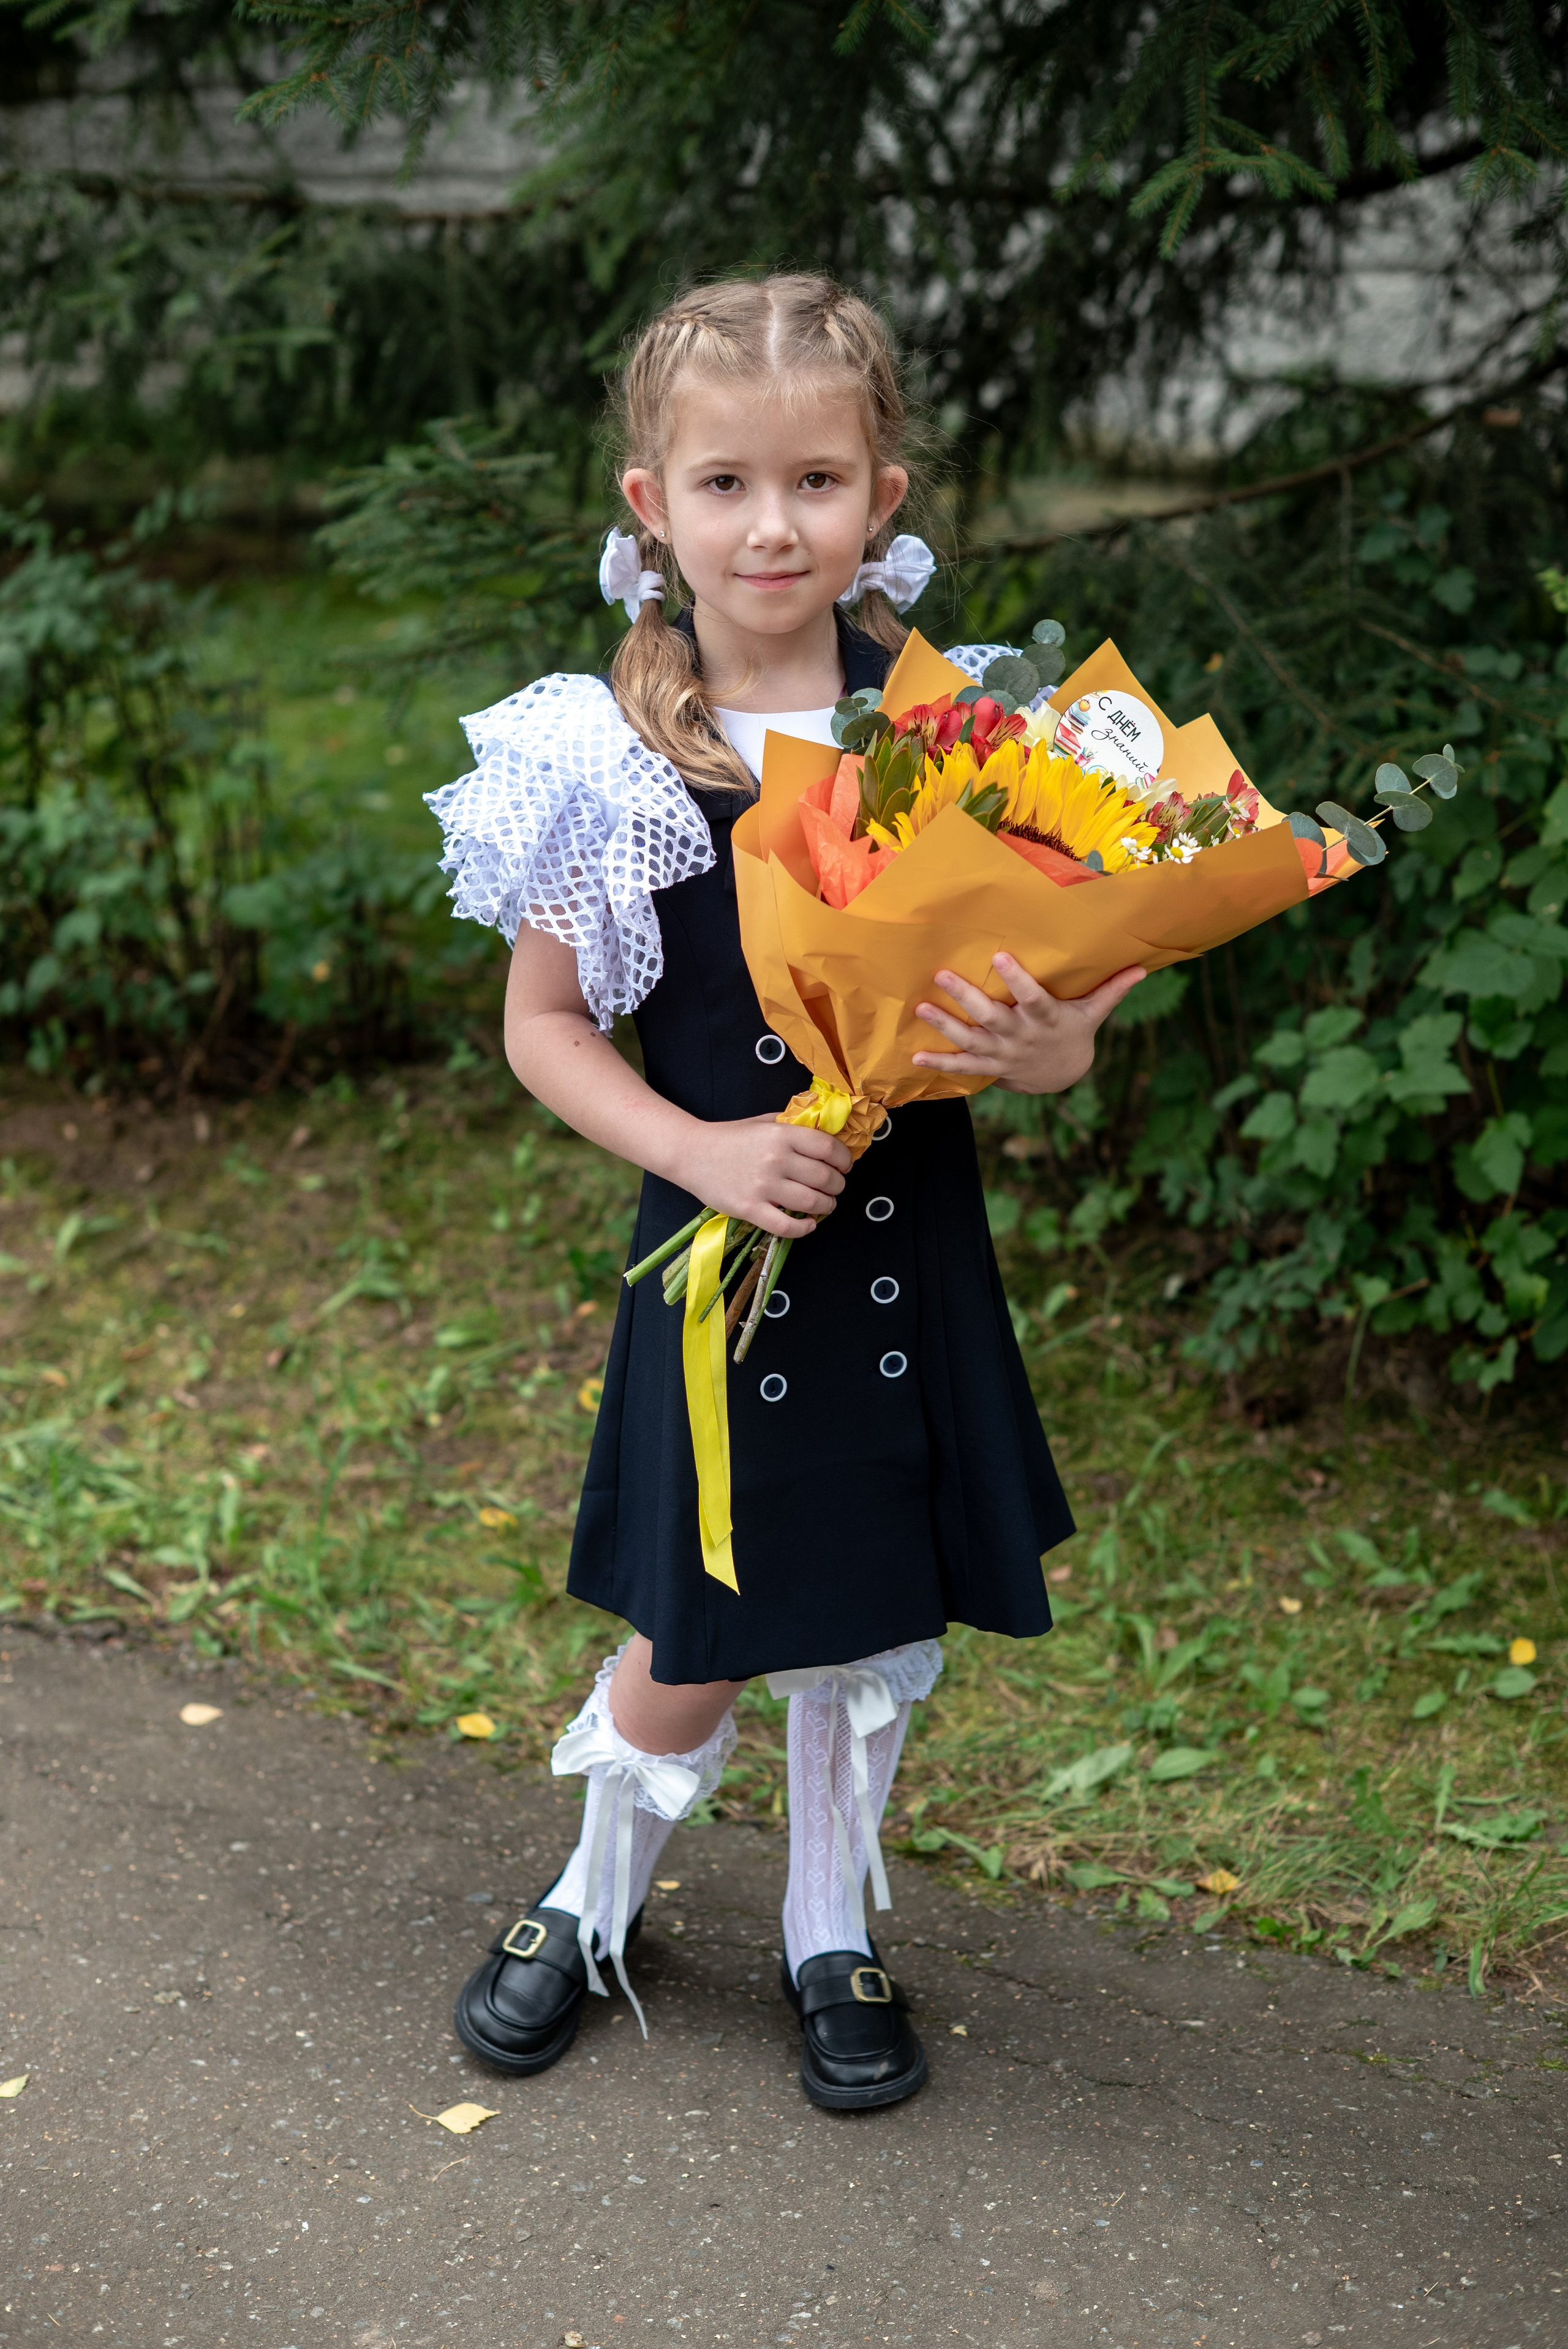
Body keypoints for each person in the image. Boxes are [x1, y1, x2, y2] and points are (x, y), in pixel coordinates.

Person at [427, 274, 1143, 2112]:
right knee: (696, 1619)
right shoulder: (606, 758)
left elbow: (1060, 1007)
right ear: (652, 507)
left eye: (816, 481)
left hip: (904, 1259)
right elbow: (543, 1028)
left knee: (869, 1616)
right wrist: (704, 1150)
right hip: (717, 1263)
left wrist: (1054, 1044)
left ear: (880, 497)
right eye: (727, 483)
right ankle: (593, 1895)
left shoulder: (958, 738)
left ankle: (832, 1927)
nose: (773, 525)